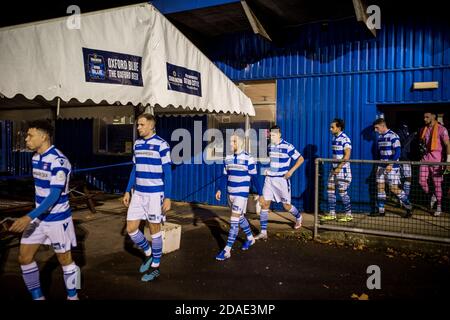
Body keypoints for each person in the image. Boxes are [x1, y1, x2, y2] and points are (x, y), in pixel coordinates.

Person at [9, 120, 80, 300]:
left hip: (57, 220)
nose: (26, 139)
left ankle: (73, 296)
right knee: (24, 257)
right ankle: (38, 297)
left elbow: (54, 196)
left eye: (30, 136)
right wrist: (33, 216)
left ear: (44, 136)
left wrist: (28, 217)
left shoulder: (59, 160)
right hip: (39, 219)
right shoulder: (35, 158)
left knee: (66, 261)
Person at [123, 114, 172, 282]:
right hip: (138, 194)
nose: (138, 128)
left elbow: (168, 172)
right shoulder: (137, 144)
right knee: (131, 229)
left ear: (151, 126)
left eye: (141, 125)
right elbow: (134, 169)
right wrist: (128, 190)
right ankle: (149, 253)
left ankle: (156, 267)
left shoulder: (162, 144)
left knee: (154, 230)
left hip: (154, 194)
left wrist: (168, 197)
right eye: (138, 125)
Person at [215, 132, 263, 260]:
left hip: (241, 194)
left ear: (240, 142)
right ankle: (250, 238)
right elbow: (225, 176)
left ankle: (227, 250)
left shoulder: (249, 158)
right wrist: (220, 189)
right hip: (230, 193)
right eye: (230, 141)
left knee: (234, 220)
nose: (231, 144)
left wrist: (260, 193)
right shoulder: (228, 158)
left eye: (233, 141)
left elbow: (254, 177)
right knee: (240, 217)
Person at [256, 125, 304, 240]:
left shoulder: (287, 146)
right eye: (271, 134)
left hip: (282, 180)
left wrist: (291, 171)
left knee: (286, 206)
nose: (272, 136)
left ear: (279, 134)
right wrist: (267, 169)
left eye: (274, 134)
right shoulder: (270, 146)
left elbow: (300, 159)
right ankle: (263, 232)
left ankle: (298, 217)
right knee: (264, 204)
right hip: (269, 179)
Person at [371, 118, 412, 218]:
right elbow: (379, 153)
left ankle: (408, 207)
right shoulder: (380, 137)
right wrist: (378, 165)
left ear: (382, 125)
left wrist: (391, 164)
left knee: (393, 188)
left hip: (392, 167)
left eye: (377, 128)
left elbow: (398, 152)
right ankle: (381, 211)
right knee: (380, 187)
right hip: (381, 166)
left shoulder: (393, 136)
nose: (376, 130)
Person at [418, 112, 450, 216]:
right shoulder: (424, 129)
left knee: (437, 184)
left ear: (434, 117)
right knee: (421, 181)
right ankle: (433, 195)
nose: (424, 119)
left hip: (437, 160)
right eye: (424, 117)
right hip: (425, 158)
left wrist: (448, 161)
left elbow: (447, 145)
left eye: (427, 117)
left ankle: (439, 206)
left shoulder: (442, 129)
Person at [321, 118, 353, 222]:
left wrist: (339, 167)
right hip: (334, 169)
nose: (330, 129)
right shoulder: (334, 138)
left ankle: (349, 214)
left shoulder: (345, 138)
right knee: (329, 189)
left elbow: (347, 155)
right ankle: (332, 213)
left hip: (342, 170)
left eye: (332, 127)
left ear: (338, 128)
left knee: (342, 192)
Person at [396, 121, 415, 199]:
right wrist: (412, 136)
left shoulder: (411, 131)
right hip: (402, 158)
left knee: (406, 178)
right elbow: (403, 144)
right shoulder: (399, 131)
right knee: (405, 178)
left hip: (408, 158)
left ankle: (404, 197)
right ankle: (404, 198)